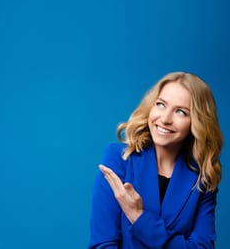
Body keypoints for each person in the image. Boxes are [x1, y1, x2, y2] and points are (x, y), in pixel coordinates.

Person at [88, 72, 223, 249]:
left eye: (180, 112)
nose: (165, 119)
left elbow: (202, 247)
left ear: (197, 122)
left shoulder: (202, 178)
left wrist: (139, 217)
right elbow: (102, 244)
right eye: (160, 104)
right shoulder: (120, 158)